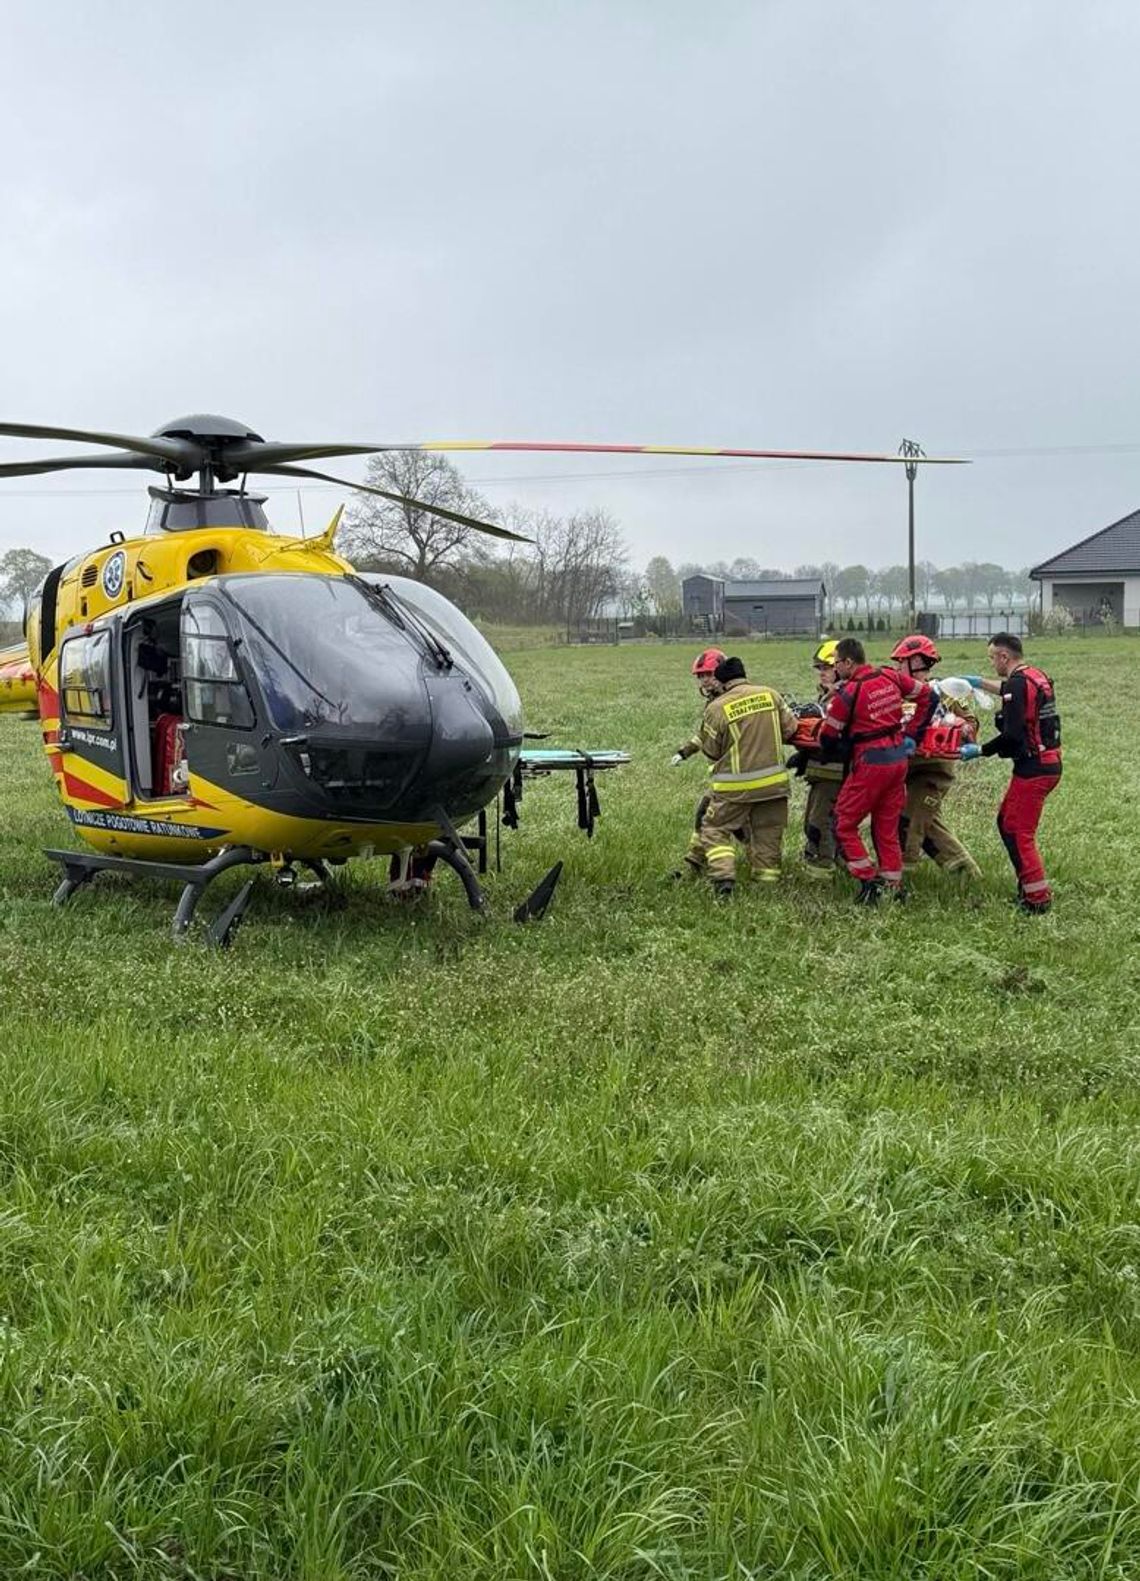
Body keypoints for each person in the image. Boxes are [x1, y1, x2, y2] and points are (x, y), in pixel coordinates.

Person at [819, 636, 936, 903]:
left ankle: (868, 880)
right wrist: (912, 734)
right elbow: (929, 696)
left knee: (843, 823)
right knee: (886, 826)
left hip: (871, 764)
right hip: (898, 761)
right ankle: (893, 887)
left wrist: (830, 752)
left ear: (848, 662)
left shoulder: (847, 694)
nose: (835, 668)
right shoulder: (889, 676)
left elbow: (828, 737)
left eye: (836, 663)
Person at [670, 654, 797, 896]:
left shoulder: (717, 708)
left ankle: (723, 880)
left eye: (708, 676)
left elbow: (711, 749)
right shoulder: (772, 694)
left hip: (735, 788)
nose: (705, 682)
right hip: (775, 785)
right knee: (767, 835)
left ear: (723, 680)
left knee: (714, 829)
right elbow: (791, 729)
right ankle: (766, 885)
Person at [960, 632, 1061, 912]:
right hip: (1045, 762)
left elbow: (1013, 736)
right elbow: (1010, 690)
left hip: (1034, 767)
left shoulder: (1018, 684)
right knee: (1006, 822)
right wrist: (979, 683)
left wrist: (979, 750)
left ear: (1004, 656)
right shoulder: (1034, 675)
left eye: (992, 657)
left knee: (1018, 832)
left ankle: (1037, 900)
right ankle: (1027, 889)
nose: (992, 662)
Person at [889, 633, 981, 880]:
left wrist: (960, 729)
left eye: (901, 662)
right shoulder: (896, 693)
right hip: (906, 771)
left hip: (933, 773)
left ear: (917, 662)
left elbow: (971, 726)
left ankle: (899, 882)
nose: (898, 668)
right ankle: (967, 875)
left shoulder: (943, 692)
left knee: (908, 825)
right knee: (928, 826)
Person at [791, 639, 845, 872]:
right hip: (821, 770)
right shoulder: (827, 696)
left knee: (819, 823)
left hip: (834, 772)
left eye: (827, 668)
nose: (822, 673)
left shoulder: (844, 697)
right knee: (822, 821)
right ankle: (843, 863)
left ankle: (822, 868)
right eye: (820, 668)